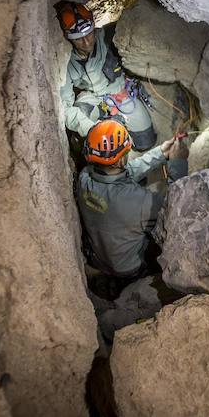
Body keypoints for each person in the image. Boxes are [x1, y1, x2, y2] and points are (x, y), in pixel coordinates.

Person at [76, 119, 188, 294]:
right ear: (121, 160)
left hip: (97, 256)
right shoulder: (139, 202)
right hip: (127, 269)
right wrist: (178, 162)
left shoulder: (85, 178)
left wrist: (161, 153)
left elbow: (124, 172)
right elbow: (176, 205)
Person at [55, 0, 156, 150]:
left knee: (145, 143)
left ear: (94, 27)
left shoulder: (109, 36)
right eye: (78, 38)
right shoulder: (66, 63)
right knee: (83, 129)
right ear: (68, 37)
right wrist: (92, 129)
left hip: (120, 93)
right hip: (93, 98)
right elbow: (66, 107)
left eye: (89, 34)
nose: (86, 42)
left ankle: (118, 123)